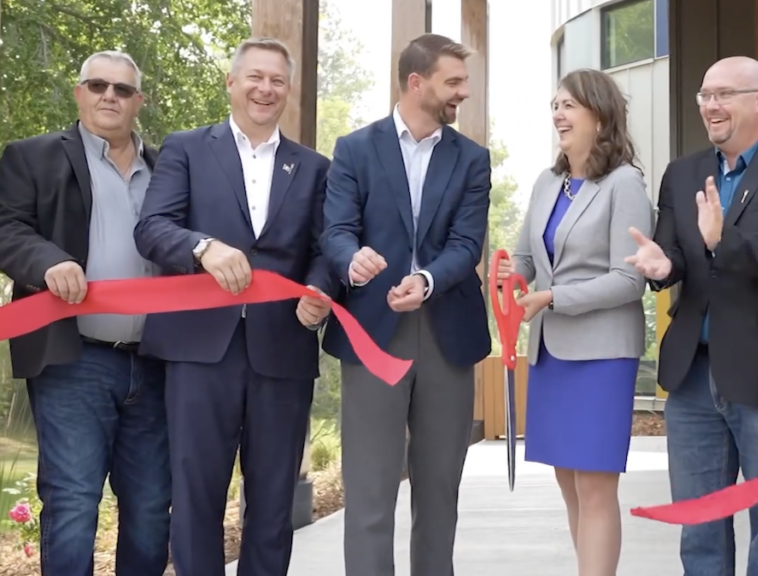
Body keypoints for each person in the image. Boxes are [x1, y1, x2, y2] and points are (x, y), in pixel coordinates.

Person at [132, 37, 333, 576]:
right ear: (231, 81)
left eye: (277, 80)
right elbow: (152, 229)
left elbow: (325, 250)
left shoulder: (315, 167)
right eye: (255, 77)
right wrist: (202, 247)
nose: (265, 89)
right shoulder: (186, 148)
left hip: (284, 350)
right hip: (199, 349)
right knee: (195, 494)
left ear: (287, 90)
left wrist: (319, 292)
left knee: (272, 504)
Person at [625, 56, 758, 575]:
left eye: (724, 95)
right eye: (704, 96)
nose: (711, 106)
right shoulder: (684, 172)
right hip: (694, 376)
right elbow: (673, 254)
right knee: (699, 529)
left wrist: (724, 241)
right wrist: (661, 264)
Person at [320, 33, 491, 576]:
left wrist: (426, 279)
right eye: (454, 82)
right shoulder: (354, 149)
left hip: (448, 333)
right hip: (372, 333)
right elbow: (337, 231)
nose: (462, 93)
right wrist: (353, 259)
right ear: (417, 83)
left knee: (440, 494)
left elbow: (467, 245)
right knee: (369, 495)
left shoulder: (472, 161)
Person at [0, 50, 169, 576]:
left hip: (158, 362)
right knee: (73, 502)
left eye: (122, 90)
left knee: (149, 508)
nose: (109, 97)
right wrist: (48, 261)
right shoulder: (32, 157)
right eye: (98, 86)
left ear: (138, 102)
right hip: (74, 360)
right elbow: (6, 230)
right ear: (79, 93)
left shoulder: (167, 168)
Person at [495, 68, 654, 576]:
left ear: (600, 115)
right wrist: (510, 276)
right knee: (568, 482)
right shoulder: (547, 182)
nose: (558, 115)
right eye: (555, 106)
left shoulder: (625, 183)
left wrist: (551, 297)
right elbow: (524, 256)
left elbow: (628, 281)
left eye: (569, 105)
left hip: (602, 355)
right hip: (550, 353)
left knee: (595, 486)